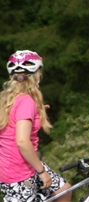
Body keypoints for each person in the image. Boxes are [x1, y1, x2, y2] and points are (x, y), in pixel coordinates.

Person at [0, 50, 72, 201]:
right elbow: (22, 141)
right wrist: (41, 171)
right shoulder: (25, 101)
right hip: (19, 174)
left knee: (64, 190)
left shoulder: (6, 99)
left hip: (20, 165)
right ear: (35, 75)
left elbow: (13, 122)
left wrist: (34, 113)